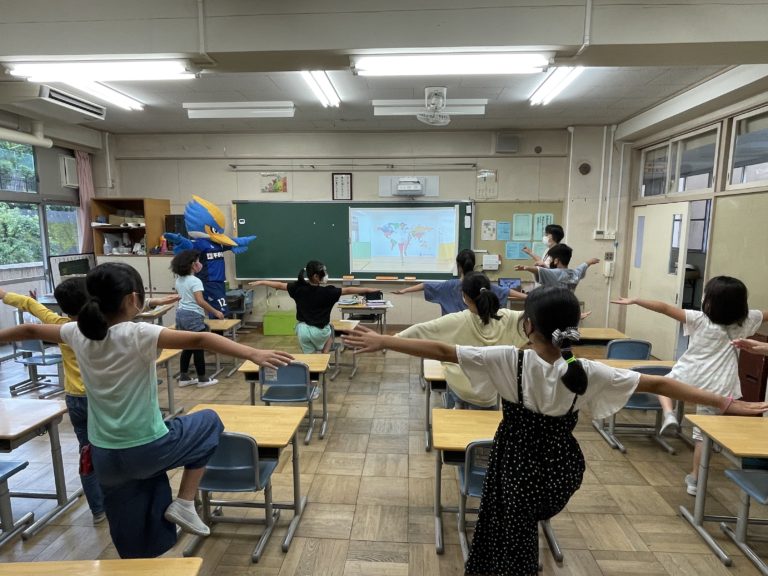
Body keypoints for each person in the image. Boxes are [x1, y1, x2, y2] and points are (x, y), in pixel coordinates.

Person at [343, 286, 768, 576]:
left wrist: (386, 341)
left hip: (516, 464)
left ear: (527, 325)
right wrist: (726, 402)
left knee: (508, 536)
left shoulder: (509, 360)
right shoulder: (589, 371)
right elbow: (659, 383)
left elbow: (441, 349)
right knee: (521, 529)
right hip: (560, 469)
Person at [0, 263, 292, 558]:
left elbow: (28, 329)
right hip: (147, 447)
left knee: (131, 539)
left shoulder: (76, 332)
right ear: (132, 299)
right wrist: (253, 352)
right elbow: (200, 338)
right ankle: (185, 502)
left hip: (104, 456)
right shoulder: (138, 333)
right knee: (210, 422)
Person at [0, 282, 180, 526]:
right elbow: (125, 315)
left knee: (87, 454)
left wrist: (5, 295)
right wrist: (151, 302)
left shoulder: (60, 325)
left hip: (75, 398)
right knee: (120, 444)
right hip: (101, 396)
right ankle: (129, 498)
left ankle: (98, 509)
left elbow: (30, 306)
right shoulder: (106, 326)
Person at [612, 275, 768, 495]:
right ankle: (695, 480)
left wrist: (636, 300)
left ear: (710, 301)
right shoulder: (748, 319)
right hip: (719, 381)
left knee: (662, 386)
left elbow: (664, 308)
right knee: (703, 434)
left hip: (692, 372)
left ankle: (669, 414)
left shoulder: (699, 319)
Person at [398, 271, 527, 409]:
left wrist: (388, 340)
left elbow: (420, 330)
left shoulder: (457, 320)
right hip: (493, 392)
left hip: (461, 387)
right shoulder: (509, 317)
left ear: (464, 297)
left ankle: (455, 407)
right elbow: (534, 316)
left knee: (454, 376)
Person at [250, 260, 380, 353]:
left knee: (310, 360)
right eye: (324, 273)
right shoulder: (329, 292)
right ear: (316, 276)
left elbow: (279, 285)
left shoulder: (297, 288)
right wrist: (369, 289)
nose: (326, 274)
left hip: (302, 331)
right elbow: (348, 290)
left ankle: (312, 375)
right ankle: (324, 355)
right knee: (331, 331)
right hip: (320, 332)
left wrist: (262, 282)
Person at [393, 249, 525, 315]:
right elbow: (506, 291)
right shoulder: (482, 284)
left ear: (459, 266)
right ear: (474, 264)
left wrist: (404, 290)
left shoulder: (449, 285)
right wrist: (528, 297)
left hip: (452, 335)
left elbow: (425, 285)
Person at [171, 249, 224, 388]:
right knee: (198, 346)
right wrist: (216, 312)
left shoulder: (179, 280)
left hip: (181, 314)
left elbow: (183, 298)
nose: (200, 263)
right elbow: (200, 301)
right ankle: (202, 379)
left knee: (187, 346)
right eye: (198, 261)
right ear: (192, 264)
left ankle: (184, 377)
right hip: (192, 316)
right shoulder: (195, 281)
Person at [515, 243, 599, 292]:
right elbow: (582, 267)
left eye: (550, 259)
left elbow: (539, 270)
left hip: (554, 307)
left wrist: (527, 268)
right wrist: (590, 261)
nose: (549, 261)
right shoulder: (574, 273)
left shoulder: (555, 273)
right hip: (568, 305)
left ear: (556, 261)